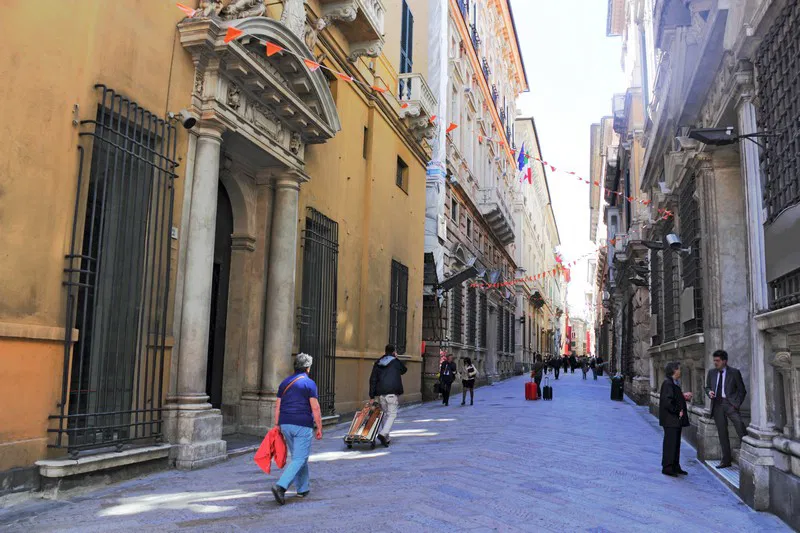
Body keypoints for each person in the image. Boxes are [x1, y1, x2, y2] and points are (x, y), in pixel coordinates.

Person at [271, 353, 322, 505]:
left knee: (299, 457)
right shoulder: (309, 383)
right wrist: (319, 427)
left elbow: (278, 406)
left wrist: (277, 424)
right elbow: (315, 407)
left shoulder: (284, 382)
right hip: (302, 424)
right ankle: (280, 486)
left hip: (285, 423)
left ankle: (302, 488)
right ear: (308, 368)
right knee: (300, 458)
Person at [705, 350, 747, 468]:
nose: (715, 363)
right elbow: (707, 387)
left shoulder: (734, 372)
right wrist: (709, 392)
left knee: (740, 426)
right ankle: (726, 460)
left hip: (730, 404)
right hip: (717, 404)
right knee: (722, 433)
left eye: (717, 360)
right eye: (714, 360)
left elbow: (742, 390)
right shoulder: (711, 373)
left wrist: (736, 404)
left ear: (724, 361)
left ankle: (747, 453)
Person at [369, 344, 407, 447]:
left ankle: (386, 438)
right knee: (392, 414)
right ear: (394, 352)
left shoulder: (378, 362)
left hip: (381, 393)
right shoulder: (395, 362)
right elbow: (404, 370)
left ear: (385, 351)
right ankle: (383, 434)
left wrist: (372, 396)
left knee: (385, 415)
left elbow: (373, 379)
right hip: (392, 393)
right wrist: (396, 358)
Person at [659, 361, 692, 477]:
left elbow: (674, 397)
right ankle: (667, 467)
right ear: (674, 370)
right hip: (670, 420)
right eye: (679, 369)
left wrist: (683, 397)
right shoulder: (667, 383)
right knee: (670, 443)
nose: (680, 371)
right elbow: (667, 402)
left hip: (675, 420)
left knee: (676, 443)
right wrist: (678, 410)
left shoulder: (673, 382)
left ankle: (675, 466)